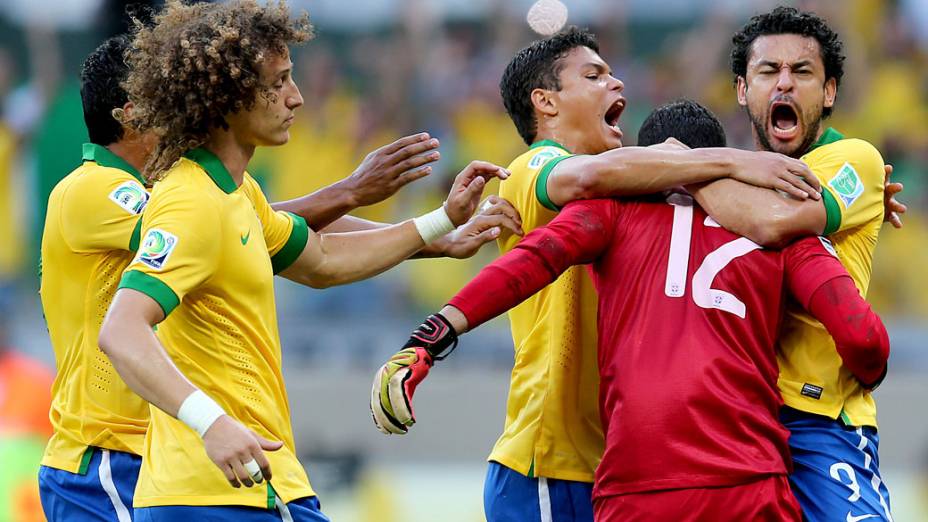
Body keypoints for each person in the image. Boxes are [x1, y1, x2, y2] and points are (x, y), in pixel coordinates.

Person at [39, 29, 515, 522]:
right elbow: (203, 237)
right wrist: (350, 191)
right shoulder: (102, 192)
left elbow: (314, 253)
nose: (297, 97)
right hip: (114, 457)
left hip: (197, 456)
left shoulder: (223, 196)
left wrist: (433, 231)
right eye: (279, 82)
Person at [371, 27, 824, 522]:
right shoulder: (535, 165)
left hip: (608, 467)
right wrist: (734, 159)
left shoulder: (627, 195)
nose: (616, 84)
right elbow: (582, 179)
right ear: (545, 102)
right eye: (594, 75)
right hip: (546, 462)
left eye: (612, 72)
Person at [684, 8, 899, 520]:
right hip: (737, 416)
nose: (784, 84)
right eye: (768, 71)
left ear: (828, 92)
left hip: (820, 420)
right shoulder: (738, 173)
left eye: (802, 72)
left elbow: (776, 220)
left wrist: (688, 170)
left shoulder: (856, 159)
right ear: (742, 89)